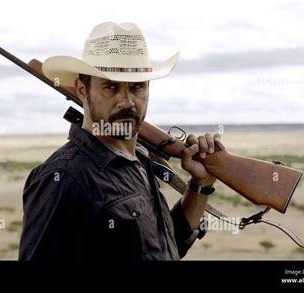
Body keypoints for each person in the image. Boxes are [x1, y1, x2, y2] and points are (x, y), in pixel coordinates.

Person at [19, 22, 223, 261]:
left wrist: (200, 185)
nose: (126, 101)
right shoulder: (63, 178)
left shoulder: (138, 160)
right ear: (82, 90)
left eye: (137, 87)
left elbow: (163, 248)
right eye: (111, 86)